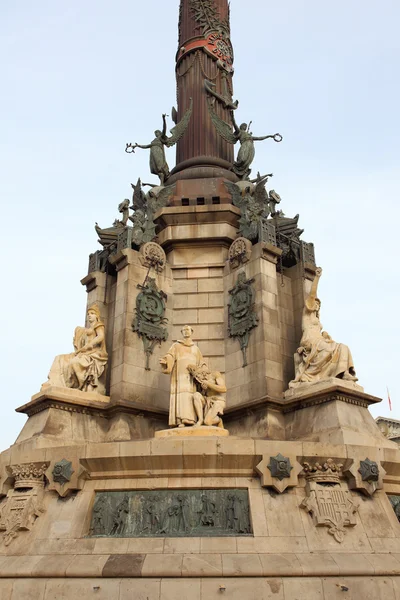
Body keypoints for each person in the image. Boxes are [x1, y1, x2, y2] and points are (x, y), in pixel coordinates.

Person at [289, 268, 357, 388]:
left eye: (319, 304)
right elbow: (312, 295)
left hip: (320, 341)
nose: (317, 305)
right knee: (331, 348)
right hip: (311, 342)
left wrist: (324, 335)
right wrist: (317, 278)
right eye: (316, 303)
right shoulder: (307, 314)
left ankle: (343, 373)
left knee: (342, 347)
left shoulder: (316, 319)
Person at [43, 305, 108, 394]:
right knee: (60, 358)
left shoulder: (98, 325)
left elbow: (101, 336)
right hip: (84, 353)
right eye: (88, 314)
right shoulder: (85, 330)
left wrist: (90, 344)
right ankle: (54, 382)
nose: (89, 315)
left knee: (75, 362)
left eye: (92, 313)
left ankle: (78, 386)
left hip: (94, 353)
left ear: (97, 316)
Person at [160, 325, 205, 427]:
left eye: (188, 330)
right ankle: (180, 420)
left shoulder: (196, 349)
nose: (186, 332)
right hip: (179, 375)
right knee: (181, 395)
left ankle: (191, 419)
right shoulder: (176, 345)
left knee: (190, 395)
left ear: (191, 331)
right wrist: (166, 361)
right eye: (184, 330)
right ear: (182, 332)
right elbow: (170, 356)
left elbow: (201, 363)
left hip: (191, 377)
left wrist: (200, 371)